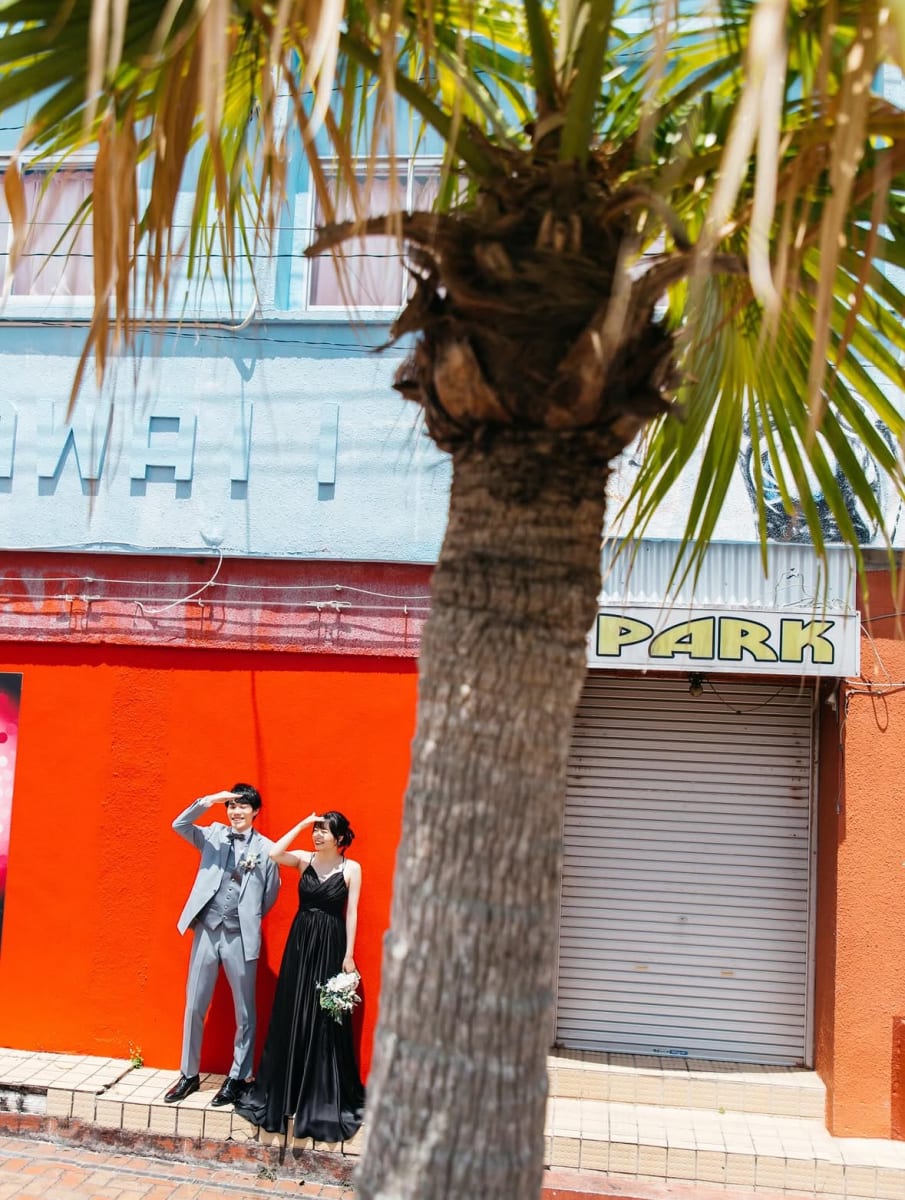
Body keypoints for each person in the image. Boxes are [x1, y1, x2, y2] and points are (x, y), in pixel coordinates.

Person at [235, 811, 365, 1141]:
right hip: (301, 941)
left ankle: (319, 1090)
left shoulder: (352, 868)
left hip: (331, 942)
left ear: (339, 838)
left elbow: (352, 913)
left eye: (324, 831)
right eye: (315, 830)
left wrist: (349, 954)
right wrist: (303, 823)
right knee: (293, 1009)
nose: (317, 835)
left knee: (323, 1015)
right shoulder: (304, 860)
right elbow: (274, 853)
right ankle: (288, 1086)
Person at [164, 784, 280, 1107]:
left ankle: (238, 1077)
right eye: (231, 806)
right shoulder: (212, 835)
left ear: (255, 812)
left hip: (240, 935)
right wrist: (211, 800)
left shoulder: (267, 849)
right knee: (194, 1003)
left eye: (243, 806)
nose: (235, 812)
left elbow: (270, 894)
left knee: (245, 1009)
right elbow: (179, 825)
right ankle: (189, 1074)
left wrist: (246, 917)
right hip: (207, 929)